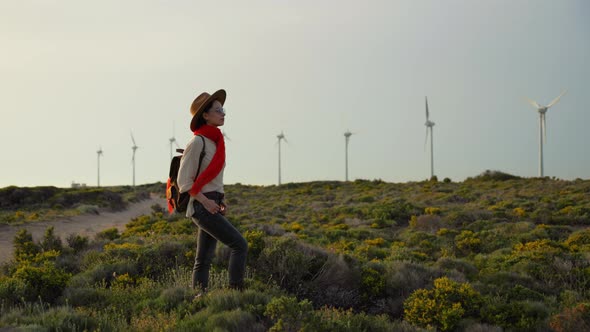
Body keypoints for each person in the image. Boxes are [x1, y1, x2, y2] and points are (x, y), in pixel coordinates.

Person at [177, 89, 248, 293]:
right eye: (218, 110)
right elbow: (184, 181)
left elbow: (213, 177)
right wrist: (205, 201)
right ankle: (236, 292)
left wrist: (220, 198)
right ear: (205, 115)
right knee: (239, 245)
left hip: (212, 202)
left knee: (204, 259)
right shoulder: (197, 142)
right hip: (201, 204)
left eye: (223, 109)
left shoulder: (216, 142)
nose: (223, 113)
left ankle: (200, 297)